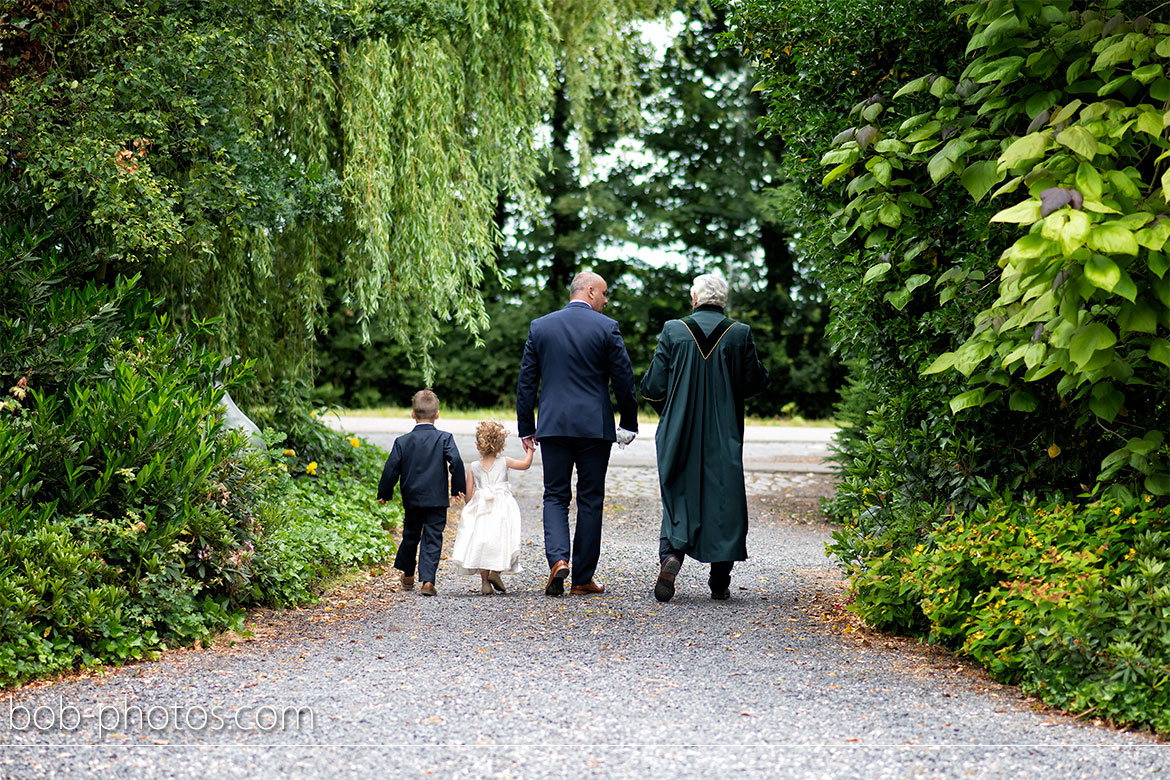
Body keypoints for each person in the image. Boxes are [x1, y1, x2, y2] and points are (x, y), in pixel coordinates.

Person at [640, 274, 769, 602]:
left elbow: (653, 387)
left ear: (694, 299)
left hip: (678, 431)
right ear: (722, 300)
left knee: (677, 494)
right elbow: (754, 382)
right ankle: (719, 580)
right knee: (724, 501)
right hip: (722, 432)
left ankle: (671, 557)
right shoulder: (739, 334)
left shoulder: (673, 330)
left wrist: (671, 411)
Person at [516, 270, 639, 597]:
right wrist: (628, 422)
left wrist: (526, 426)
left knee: (555, 495)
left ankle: (558, 560)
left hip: (553, 425)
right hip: (593, 428)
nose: (606, 300)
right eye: (604, 293)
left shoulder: (540, 327)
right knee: (590, 499)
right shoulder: (606, 327)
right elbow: (624, 381)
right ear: (588, 291)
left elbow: (527, 382)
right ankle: (582, 578)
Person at [377, 389, 466, 597]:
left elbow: (391, 468)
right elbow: (457, 461)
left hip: (412, 498)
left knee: (411, 534)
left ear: (412, 414)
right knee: (433, 537)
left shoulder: (403, 441)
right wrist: (457, 488)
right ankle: (427, 581)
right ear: (437, 414)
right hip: (436, 499)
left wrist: (385, 492)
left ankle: (408, 574)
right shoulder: (444, 438)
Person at [450, 421, 533, 594]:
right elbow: (525, 465)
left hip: (481, 508)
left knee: (482, 541)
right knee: (501, 538)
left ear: (477, 445)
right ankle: (496, 572)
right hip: (502, 507)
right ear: (501, 444)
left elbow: (469, 494)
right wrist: (530, 450)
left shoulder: (473, 467)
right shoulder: (504, 461)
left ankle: (485, 582)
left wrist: (468, 503)